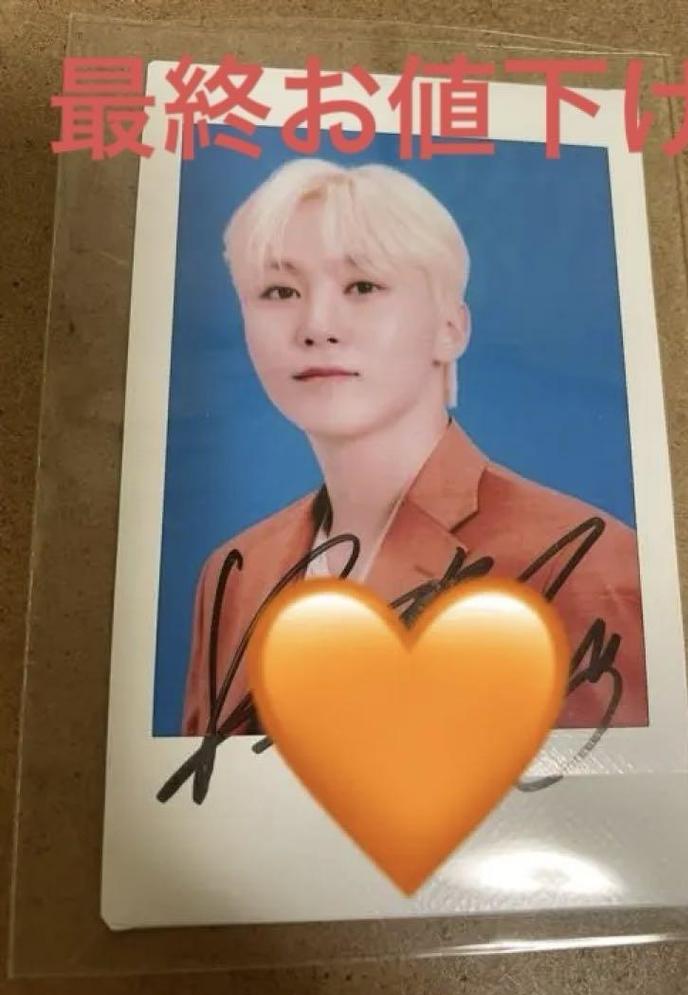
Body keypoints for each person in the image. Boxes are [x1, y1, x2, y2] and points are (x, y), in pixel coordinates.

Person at [181, 157, 648, 737]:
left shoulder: (583, 562)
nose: (317, 325)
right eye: (279, 291)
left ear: (451, 328)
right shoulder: (233, 573)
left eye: (363, 286)